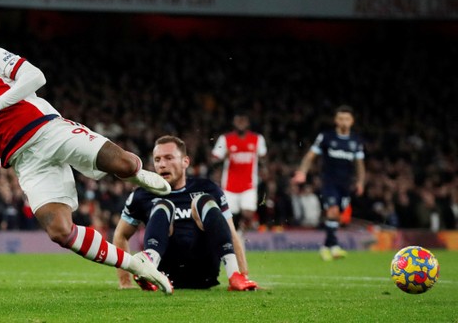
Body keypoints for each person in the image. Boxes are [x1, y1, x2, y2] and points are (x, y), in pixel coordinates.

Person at [0, 38, 173, 294]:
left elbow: (36, 76)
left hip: (50, 131)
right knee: (60, 232)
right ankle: (138, 266)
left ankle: (138, 175)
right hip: (27, 163)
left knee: (124, 164)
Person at [114, 135, 258, 291]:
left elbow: (231, 233)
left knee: (203, 200)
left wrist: (244, 275)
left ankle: (234, 275)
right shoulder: (142, 195)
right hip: (162, 275)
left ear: (185, 162)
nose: (162, 164)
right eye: (157, 160)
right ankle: (149, 270)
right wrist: (125, 282)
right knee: (164, 206)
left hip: (204, 272)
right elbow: (120, 235)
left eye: (169, 158)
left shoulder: (209, 188)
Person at [292, 104, 366, 261]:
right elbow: (311, 155)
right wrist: (302, 172)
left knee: (337, 216)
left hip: (346, 184)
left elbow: (360, 164)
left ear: (352, 121)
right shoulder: (327, 137)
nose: (344, 122)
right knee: (332, 211)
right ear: (335, 120)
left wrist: (360, 182)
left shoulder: (355, 140)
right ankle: (334, 246)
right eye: (340, 118)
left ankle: (327, 246)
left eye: (347, 118)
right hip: (329, 182)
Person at [211, 111, 267, 231]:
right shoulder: (225, 139)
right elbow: (214, 159)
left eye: (243, 120)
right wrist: (223, 157)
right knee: (230, 215)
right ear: (234, 122)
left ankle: (240, 231)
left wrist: (263, 167)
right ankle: (236, 234)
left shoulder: (257, 139)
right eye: (238, 120)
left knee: (248, 213)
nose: (241, 123)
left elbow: (263, 156)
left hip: (249, 184)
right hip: (230, 185)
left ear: (248, 122)